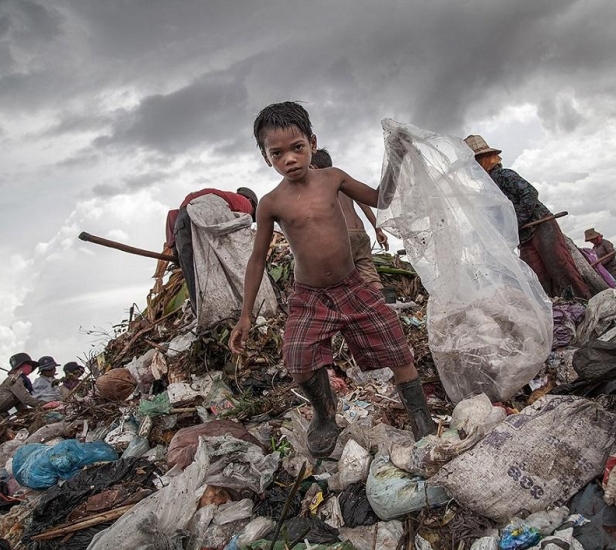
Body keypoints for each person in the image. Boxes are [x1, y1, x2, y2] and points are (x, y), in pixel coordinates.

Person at [229, 101, 435, 458]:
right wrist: (245, 315)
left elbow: (381, 198)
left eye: (297, 148)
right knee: (297, 358)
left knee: (398, 349)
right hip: (310, 296)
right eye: (277, 153)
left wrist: (397, 158)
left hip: (353, 286)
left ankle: (420, 416)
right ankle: (325, 414)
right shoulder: (270, 203)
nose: (290, 159)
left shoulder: (333, 178)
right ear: (266, 158)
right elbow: (257, 259)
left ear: (312, 141)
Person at [464, 135, 592, 299]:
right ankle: (558, 307)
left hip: (541, 226)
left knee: (560, 267)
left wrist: (518, 219)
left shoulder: (503, 175)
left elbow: (529, 193)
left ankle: (585, 301)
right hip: (524, 236)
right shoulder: (486, 189)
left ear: (485, 159)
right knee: (536, 276)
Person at [165, 187, 278, 328]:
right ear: (252, 202)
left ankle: (203, 321)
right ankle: (242, 310)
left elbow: (172, 215)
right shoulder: (244, 202)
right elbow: (240, 245)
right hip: (204, 216)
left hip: (182, 221)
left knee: (192, 275)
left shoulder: (206, 199)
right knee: (240, 263)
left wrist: (177, 251)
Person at [311, 148, 389, 290]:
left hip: (342, 237)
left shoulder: (317, 184)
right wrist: (378, 230)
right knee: (370, 277)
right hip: (361, 234)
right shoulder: (343, 181)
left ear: (312, 167)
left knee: (338, 280)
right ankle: (382, 306)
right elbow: (364, 203)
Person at [0, 353, 58, 420]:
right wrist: (46, 404)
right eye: (26, 364)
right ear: (19, 366)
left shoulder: (24, 381)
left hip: (1, 416)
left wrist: (27, 414)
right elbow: (26, 399)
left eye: (30, 364)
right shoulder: (13, 379)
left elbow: (20, 404)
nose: (29, 366)